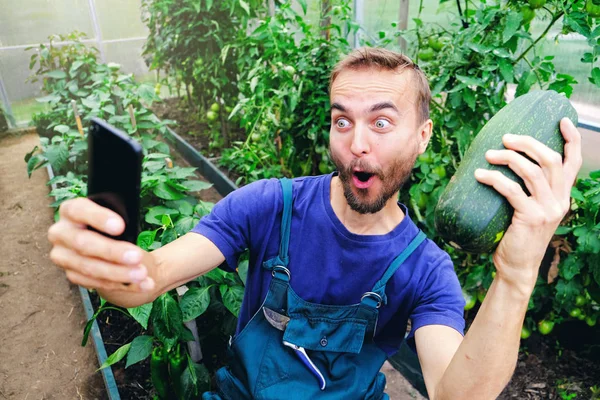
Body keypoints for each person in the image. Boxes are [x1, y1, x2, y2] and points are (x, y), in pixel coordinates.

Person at [47, 47, 582, 399]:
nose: (357, 143)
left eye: (381, 121)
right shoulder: (267, 206)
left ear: (422, 137)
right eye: (341, 120)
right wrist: (110, 264)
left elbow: (455, 393)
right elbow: (152, 276)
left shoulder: (425, 271)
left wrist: (516, 273)